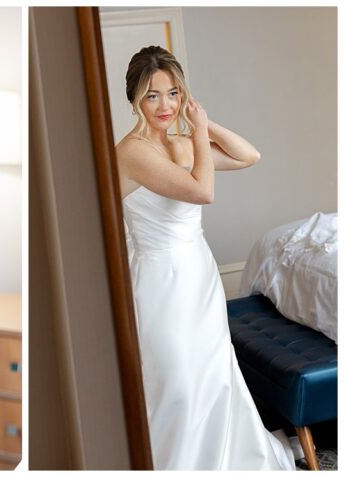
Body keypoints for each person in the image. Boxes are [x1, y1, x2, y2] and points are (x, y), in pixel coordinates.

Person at [116, 45, 294, 470]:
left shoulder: (182, 140)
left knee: (212, 376)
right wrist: (197, 135)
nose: (165, 105)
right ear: (135, 99)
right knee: (176, 381)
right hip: (161, 280)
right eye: (153, 94)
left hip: (198, 274)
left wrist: (203, 122)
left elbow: (248, 155)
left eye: (173, 93)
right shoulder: (131, 152)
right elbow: (203, 191)